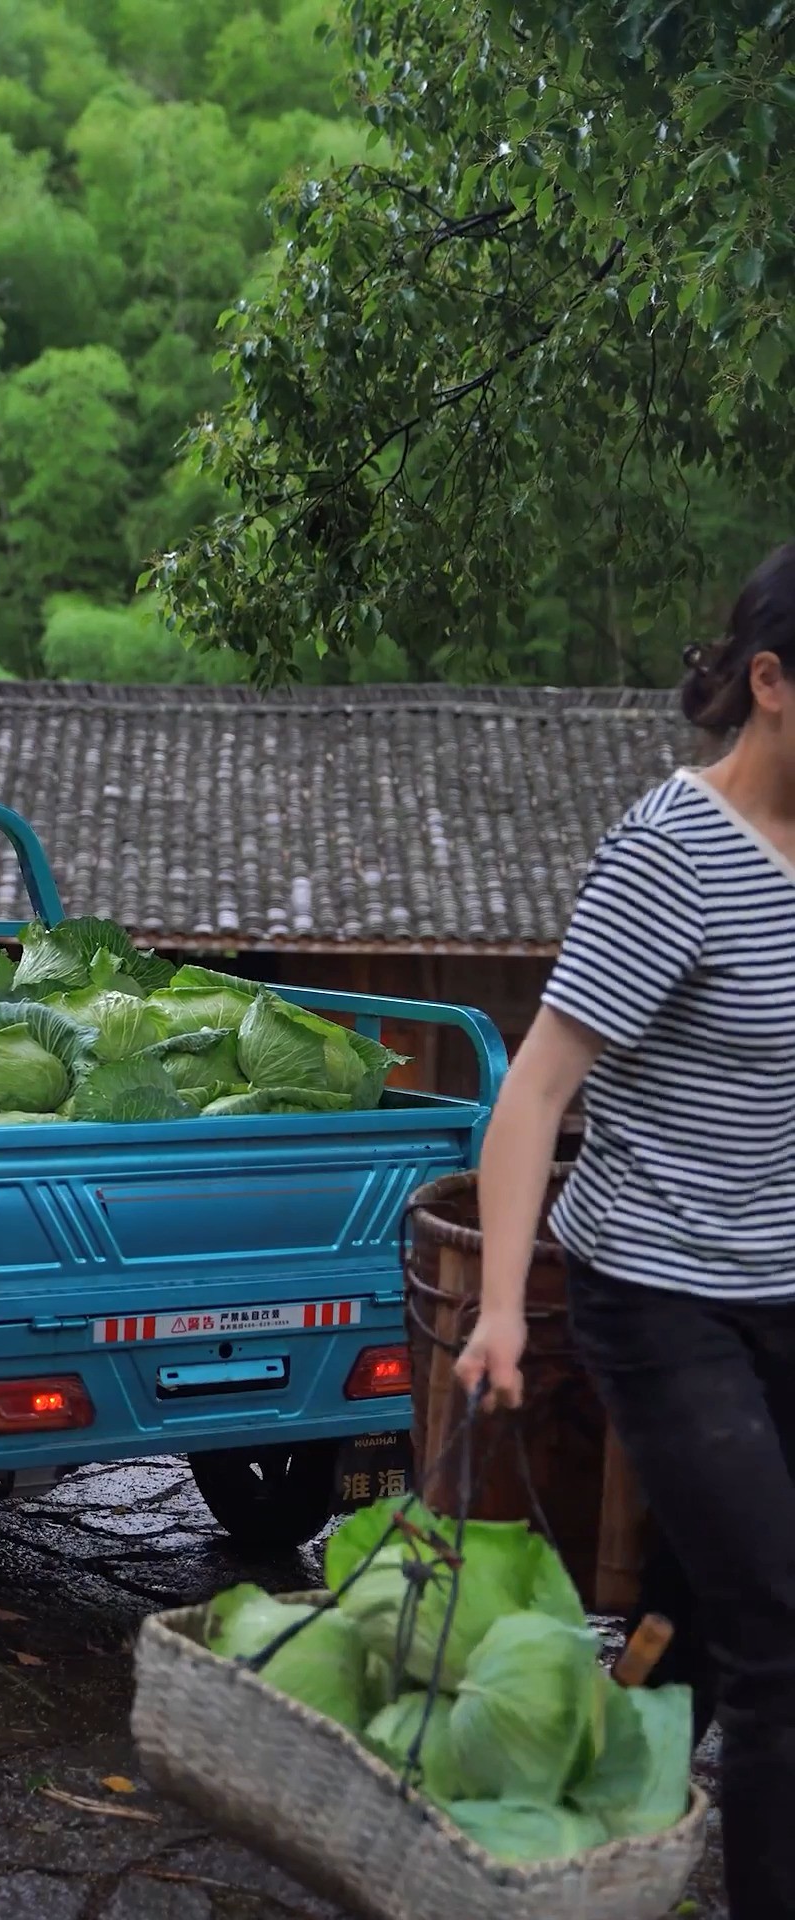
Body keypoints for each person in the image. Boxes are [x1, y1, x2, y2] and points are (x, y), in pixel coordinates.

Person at [456, 539, 795, 1920]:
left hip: (784, 1284)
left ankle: (571, 1822)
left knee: (697, 1611)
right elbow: (534, 1091)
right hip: (660, 1296)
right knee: (783, 1632)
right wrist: (496, 1308)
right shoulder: (677, 853)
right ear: (774, 681)